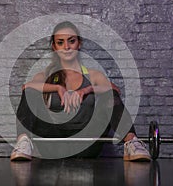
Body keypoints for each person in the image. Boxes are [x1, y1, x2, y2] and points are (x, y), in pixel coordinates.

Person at [10, 21, 151, 161]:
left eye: (71, 41)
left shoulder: (93, 75)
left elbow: (114, 89)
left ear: (79, 43)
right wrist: (58, 88)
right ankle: (23, 143)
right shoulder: (46, 75)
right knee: (30, 93)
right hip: (53, 146)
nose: (66, 47)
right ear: (54, 47)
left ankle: (132, 143)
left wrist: (86, 90)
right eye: (60, 42)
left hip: (87, 143)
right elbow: (27, 87)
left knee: (109, 95)